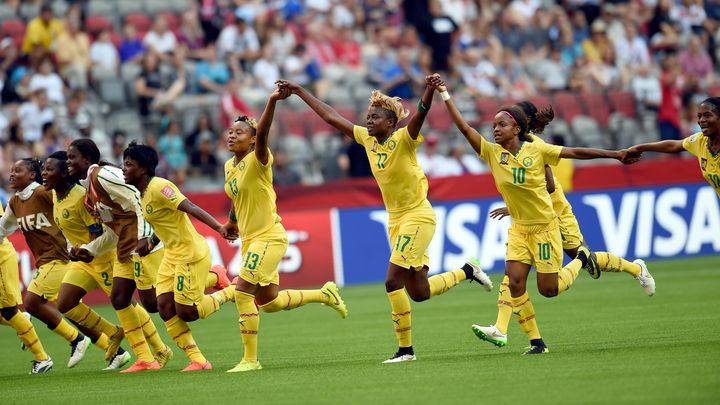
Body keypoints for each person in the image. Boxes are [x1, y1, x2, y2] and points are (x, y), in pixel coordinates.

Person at [277, 76, 492, 364]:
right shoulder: (367, 139)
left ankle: (406, 351)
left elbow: (421, 113)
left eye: (375, 117)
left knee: (392, 281)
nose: (368, 121)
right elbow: (331, 117)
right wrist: (301, 91)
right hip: (396, 221)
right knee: (420, 291)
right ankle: (468, 270)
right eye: (367, 116)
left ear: (391, 123)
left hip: (418, 215)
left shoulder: (405, 138)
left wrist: (429, 88)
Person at [428, 75, 634, 354]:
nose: (495, 130)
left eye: (501, 125)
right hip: (520, 229)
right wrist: (445, 94)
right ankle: (536, 343)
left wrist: (616, 154)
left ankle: (581, 259)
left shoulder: (537, 149)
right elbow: (464, 128)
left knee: (549, 289)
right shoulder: (492, 153)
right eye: (493, 126)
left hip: (545, 228)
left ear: (516, 128)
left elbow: (575, 152)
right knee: (513, 282)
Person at [472, 101, 655, 349]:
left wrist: (520, 200)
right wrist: (517, 205)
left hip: (556, 212)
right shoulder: (514, 146)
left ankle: (636, 269)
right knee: (513, 276)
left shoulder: (535, 146)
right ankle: (501, 328)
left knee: (584, 258)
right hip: (530, 218)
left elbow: (547, 186)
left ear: (521, 123)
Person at [222, 87, 349, 372]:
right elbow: (237, 196)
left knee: (242, 292)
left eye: (239, 132)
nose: (231, 135)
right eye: (230, 132)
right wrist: (232, 220)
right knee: (268, 302)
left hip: (268, 237)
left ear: (253, 139)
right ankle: (324, 294)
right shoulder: (229, 166)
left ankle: (250, 360)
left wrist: (270, 101)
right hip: (250, 239)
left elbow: (264, 131)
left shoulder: (259, 158)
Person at [122, 141, 237, 372]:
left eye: (128, 164)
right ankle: (198, 360)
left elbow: (191, 207)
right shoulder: (142, 194)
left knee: (188, 312)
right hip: (171, 256)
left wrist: (220, 228)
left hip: (190, 254)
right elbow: (163, 223)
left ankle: (229, 288)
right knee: (163, 306)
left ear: (143, 168)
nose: (124, 169)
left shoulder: (160, 187)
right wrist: (152, 242)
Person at [65, 139, 164, 373]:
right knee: (120, 298)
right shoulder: (90, 193)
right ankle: (145, 358)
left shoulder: (103, 175)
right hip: (125, 247)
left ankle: (215, 280)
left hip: (145, 245)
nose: (69, 162)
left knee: (159, 303)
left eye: (72, 157)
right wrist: (89, 250)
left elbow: (139, 196)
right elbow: (113, 230)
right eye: (67, 158)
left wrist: (147, 237)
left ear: (87, 160)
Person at [41, 151, 136, 370]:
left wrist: (86, 248)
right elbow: (69, 229)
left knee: (127, 303)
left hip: (101, 257)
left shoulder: (79, 195)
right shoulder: (56, 195)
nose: (43, 174)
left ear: (64, 172)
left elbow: (97, 228)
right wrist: (71, 248)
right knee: (65, 302)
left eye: (48, 169)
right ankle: (113, 332)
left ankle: (158, 349)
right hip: (83, 259)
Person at [0, 158, 91, 369]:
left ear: (32, 174)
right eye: (10, 171)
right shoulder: (16, 201)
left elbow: (65, 211)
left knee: (28, 304)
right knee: (68, 305)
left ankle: (45, 357)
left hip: (59, 256)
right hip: (47, 259)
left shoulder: (42, 193)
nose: (11, 175)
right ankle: (110, 346)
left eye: (17, 170)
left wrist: (75, 244)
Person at [626, 97, 720, 198]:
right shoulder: (700, 141)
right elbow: (673, 146)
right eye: (699, 116)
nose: (701, 120)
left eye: (707, 115)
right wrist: (640, 148)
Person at [0, 203, 52, 374]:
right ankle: (23, 319)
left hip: (1, 258)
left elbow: (2, 224)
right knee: (9, 314)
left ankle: (42, 358)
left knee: (8, 311)